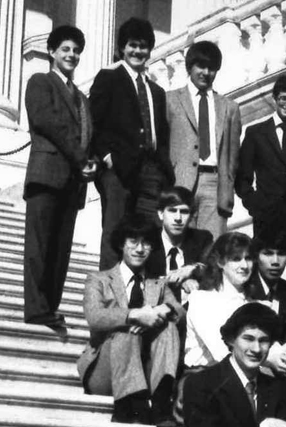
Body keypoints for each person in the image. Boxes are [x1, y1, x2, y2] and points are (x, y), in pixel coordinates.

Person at [22, 25, 96, 328]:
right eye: (65, 49)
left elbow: (87, 135)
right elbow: (47, 121)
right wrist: (81, 158)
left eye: (76, 51)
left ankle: (50, 305)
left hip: (72, 181)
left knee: (61, 249)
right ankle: (36, 307)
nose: (72, 55)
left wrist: (91, 163)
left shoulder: (81, 97)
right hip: (47, 173)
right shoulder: (40, 81)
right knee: (39, 246)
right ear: (52, 52)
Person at [77, 215, 181, 427]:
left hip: (145, 370)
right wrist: (134, 315)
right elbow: (94, 317)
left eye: (146, 243)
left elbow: (179, 312)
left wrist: (164, 308)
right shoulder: (99, 280)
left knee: (169, 327)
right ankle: (128, 404)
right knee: (126, 330)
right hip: (104, 370)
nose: (140, 249)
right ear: (121, 245)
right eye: (133, 241)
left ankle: (161, 402)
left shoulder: (158, 284)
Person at [90, 17, 173, 269]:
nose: (138, 51)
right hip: (119, 171)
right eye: (132, 45)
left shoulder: (156, 91)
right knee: (115, 233)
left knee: (148, 236)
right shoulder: (108, 78)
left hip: (151, 172)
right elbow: (95, 123)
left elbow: (162, 133)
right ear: (121, 48)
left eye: (143, 46)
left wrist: (163, 168)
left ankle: (141, 297)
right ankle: (109, 300)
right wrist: (107, 156)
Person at [166, 40, 241, 238]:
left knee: (211, 249)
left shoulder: (229, 107)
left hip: (214, 185)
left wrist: (227, 186)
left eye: (211, 68)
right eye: (201, 66)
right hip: (179, 182)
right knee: (179, 247)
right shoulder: (170, 100)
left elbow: (233, 157)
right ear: (190, 67)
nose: (206, 73)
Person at [235, 75, 286, 237]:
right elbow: (242, 178)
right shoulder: (255, 133)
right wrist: (255, 205)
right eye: (283, 98)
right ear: (274, 99)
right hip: (266, 218)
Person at [183, 232, 255, 370]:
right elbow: (221, 351)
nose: (244, 265)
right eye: (236, 259)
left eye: (249, 258)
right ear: (220, 262)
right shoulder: (201, 300)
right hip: (203, 376)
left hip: (246, 374)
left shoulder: (252, 303)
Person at [248, 231, 286, 377]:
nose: (275, 261)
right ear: (256, 257)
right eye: (268, 254)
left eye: (281, 254)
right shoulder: (246, 287)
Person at [145, 187, 213, 299]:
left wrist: (192, 270)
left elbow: (214, 269)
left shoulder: (201, 239)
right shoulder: (148, 241)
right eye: (172, 211)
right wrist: (180, 282)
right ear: (160, 213)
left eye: (184, 212)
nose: (178, 218)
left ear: (191, 216)